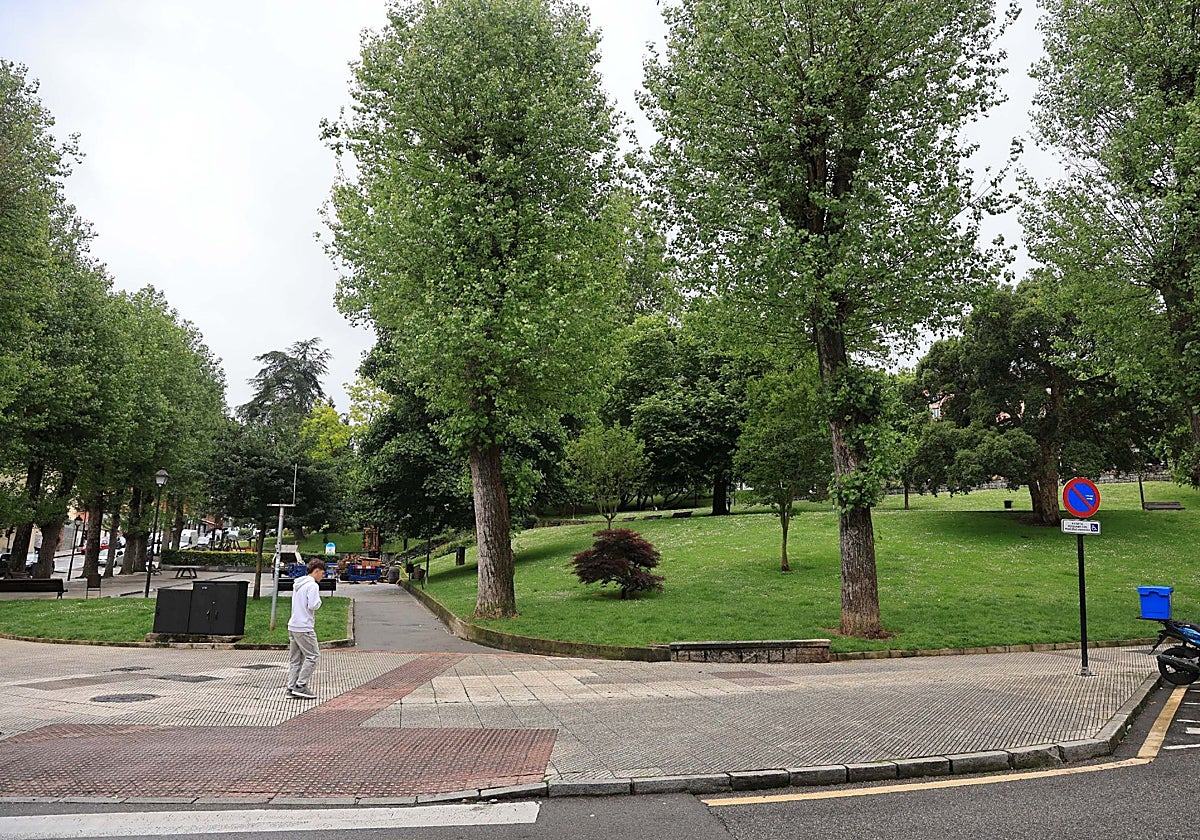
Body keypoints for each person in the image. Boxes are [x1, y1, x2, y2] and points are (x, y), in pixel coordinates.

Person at [286, 557, 325, 700]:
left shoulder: (298, 584)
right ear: (316, 571)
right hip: (304, 627)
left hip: (293, 624)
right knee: (312, 656)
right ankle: (301, 685)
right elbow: (313, 605)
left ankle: (291, 687)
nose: (323, 576)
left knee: (295, 659)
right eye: (322, 573)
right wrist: (320, 601)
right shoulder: (313, 586)